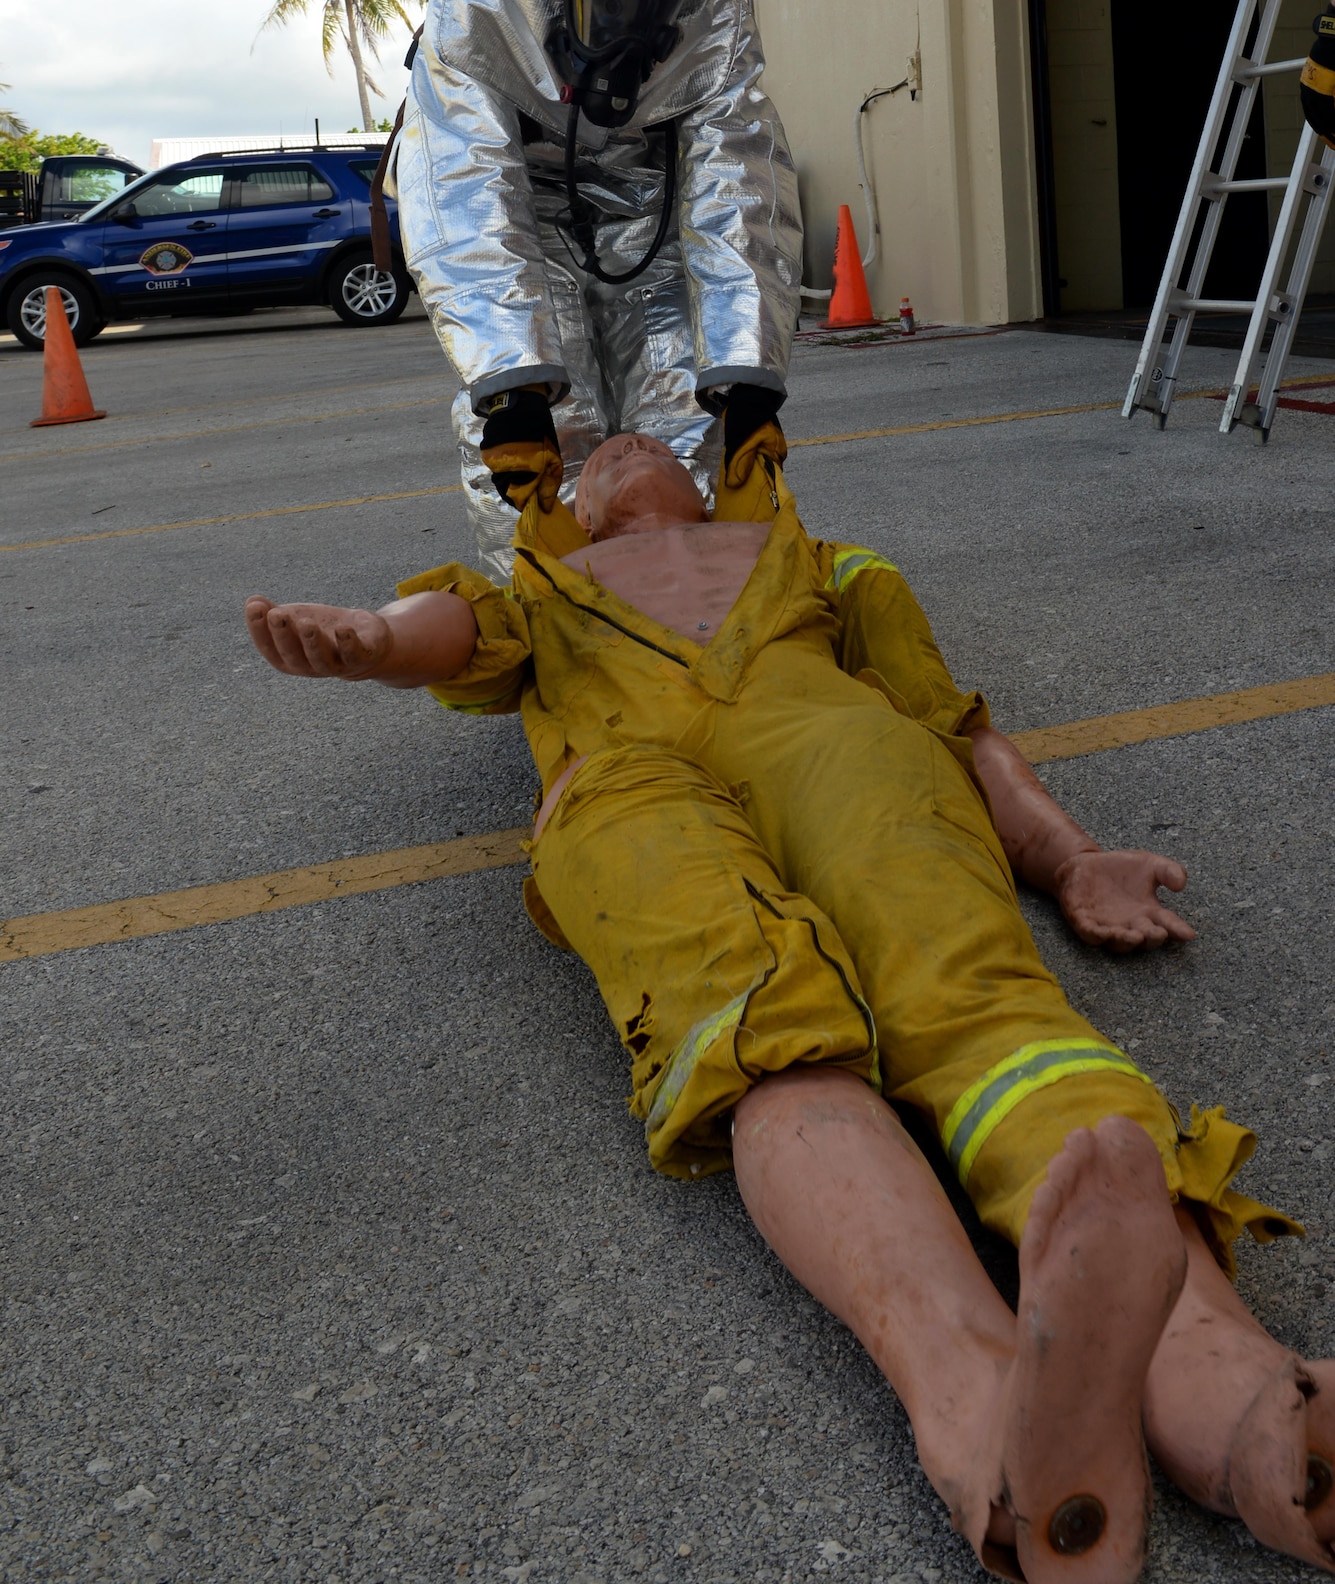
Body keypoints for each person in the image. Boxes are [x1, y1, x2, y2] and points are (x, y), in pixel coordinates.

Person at [244, 439, 1334, 1583]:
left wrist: (1069, 857)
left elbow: (949, 717)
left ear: (703, 476)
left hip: (845, 746)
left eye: (644, 437)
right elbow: (443, 630)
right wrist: (372, 643)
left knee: (981, 1006)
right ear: (570, 505)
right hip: (628, 784)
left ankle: (1254, 1405)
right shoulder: (535, 585)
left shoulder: (826, 558)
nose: (617, 447)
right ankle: (985, 1416)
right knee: (760, 1040)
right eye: (592, 456)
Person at [386, 0, 801, 581]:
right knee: (541, 447)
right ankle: (550, 637)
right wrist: (509, 384)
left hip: (651, 200)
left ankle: (713, 625)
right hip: (528, 209)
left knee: (691, 434)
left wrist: (748, 371)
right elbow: (466, 184)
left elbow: (736, 171)